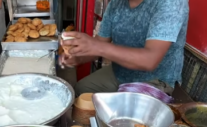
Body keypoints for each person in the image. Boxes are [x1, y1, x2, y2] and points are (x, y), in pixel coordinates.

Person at [60, 0, 189, 96]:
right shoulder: (116, 4)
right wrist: (77, 57)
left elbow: (150, 60)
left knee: (122, 118)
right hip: (120, 72)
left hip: (155, 80)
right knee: (81, 90)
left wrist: (96, 46)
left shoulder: (171, 3)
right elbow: (99, 42)